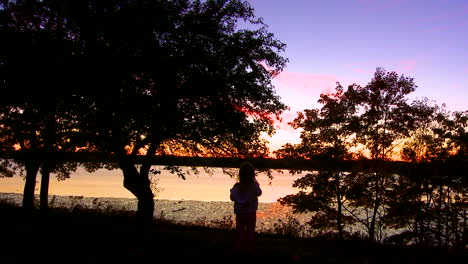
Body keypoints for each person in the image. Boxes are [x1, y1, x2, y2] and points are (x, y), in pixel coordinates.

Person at [230, 162, 262, 254]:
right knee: (250, 231)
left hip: (240, 213)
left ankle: (239, 248)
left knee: (240, 231)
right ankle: (250, 249)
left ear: (240, 174)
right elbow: (259, 193)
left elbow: (232, 198)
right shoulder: (254, 186)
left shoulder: (237, 187)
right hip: (251, 213)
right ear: (252, 174)